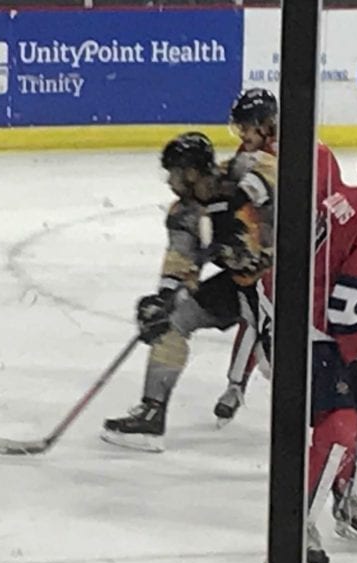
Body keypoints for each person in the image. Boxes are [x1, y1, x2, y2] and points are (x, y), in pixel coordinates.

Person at [101, 131, 275, 451]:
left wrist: (239, 198)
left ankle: (333, 421)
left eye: (174, 173)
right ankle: (151, 416)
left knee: (279, 362)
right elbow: (179, 264)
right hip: (241, 285)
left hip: (288, 281)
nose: (170, 181)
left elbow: (277, 168)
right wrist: (162, 299)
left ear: (192, 172)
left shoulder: (237, 172)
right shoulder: (184, 214)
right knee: (172, 320)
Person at [297, 135, 357, 563]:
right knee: (340, 424)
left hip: (312, 321)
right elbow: (347, 311)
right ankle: (296, 522)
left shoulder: (344, 198)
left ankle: (345, 499)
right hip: (315, 332)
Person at [213, 88, 279, 424]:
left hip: (302, 250)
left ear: (265, 125)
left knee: (261, 317)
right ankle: (236, 386)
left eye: (246, 128)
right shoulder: (250, 150)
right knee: (253, 314)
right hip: (266, 248)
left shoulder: (289, 152)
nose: (241, 135)